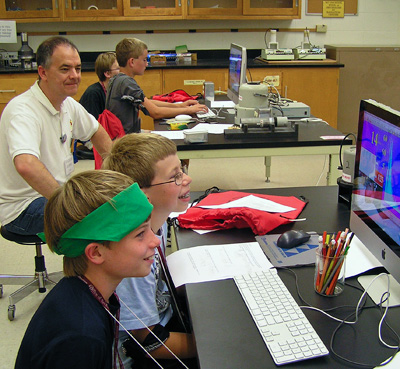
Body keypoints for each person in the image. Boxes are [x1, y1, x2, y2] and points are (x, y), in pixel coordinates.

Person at [14, 169, 159, 369]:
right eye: (141, 234)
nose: (156, 241)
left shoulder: (87, 293)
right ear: (96, 253)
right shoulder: (80, 338)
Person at [0, 36, 112, 236]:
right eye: (65, 69)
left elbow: (96, 131)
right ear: (43, 72)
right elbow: (26, 164)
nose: (74, 75)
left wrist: (112, 171)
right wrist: (67, 201)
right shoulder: (23, 110)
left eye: (77, 68)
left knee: (110, 202)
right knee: (98, 218)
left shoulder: (66, 103)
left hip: (53, 195)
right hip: (22, 208)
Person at [102, 133, 197, 368]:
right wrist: (212, 342)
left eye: (182, 169)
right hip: (142, 355)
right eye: (175, 177)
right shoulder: (131, 258)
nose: (187, 179)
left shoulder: (158, 219)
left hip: (163, 319)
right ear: (142, 194)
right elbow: (150, 343)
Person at [106, 37, 208, 134]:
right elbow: (155, 112)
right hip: (125, 140)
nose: (146, 64)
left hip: (121, 135)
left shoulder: (116, 79)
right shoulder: (127, 83)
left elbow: (146, 102)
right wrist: (188, 110)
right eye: (144, 60)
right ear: (132, 62)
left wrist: (179, 105)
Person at [80, 51, 120, 120]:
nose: (122, 72)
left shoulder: (115, 92)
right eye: (118, 68)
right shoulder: (92, 93)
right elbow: (92, 127)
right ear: (107, 73)